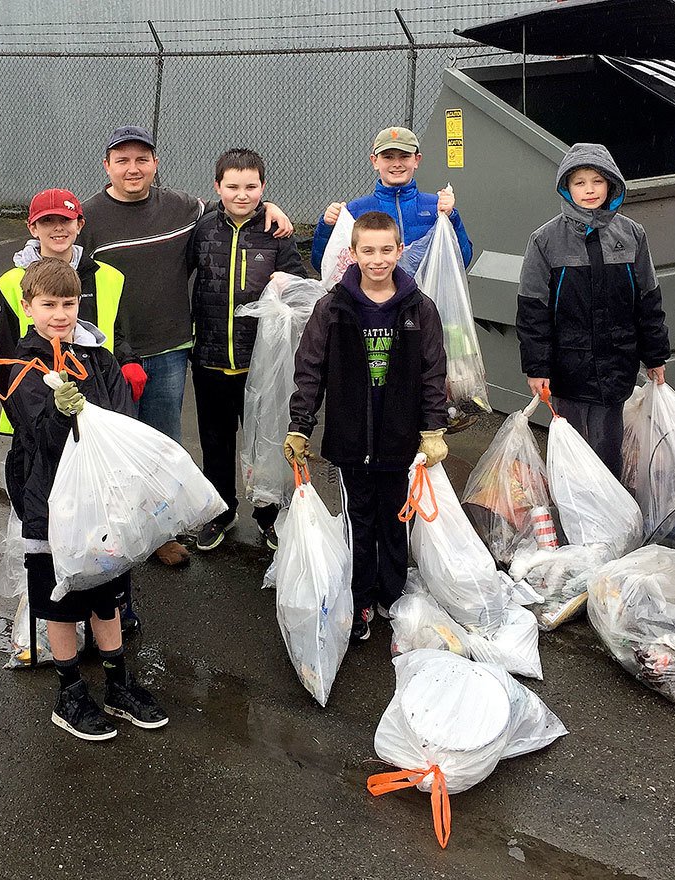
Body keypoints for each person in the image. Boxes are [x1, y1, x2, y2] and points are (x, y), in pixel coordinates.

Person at [79, 125, 293, 567]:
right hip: (110, 352)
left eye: (142, 159)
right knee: (114, 447)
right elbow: (66, 266)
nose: (133, 168)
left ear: (155, 164)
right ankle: (117, 533)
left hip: (173, 348)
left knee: (164, 445)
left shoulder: (183, 209)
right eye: (123, 160)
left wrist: (270, 208)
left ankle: (162, 533)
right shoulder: (88, 217)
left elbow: (235, 210)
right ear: (107, 166)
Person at [5, 258, 168, 741]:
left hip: (102, 500)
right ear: (28, 306)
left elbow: (121, 414)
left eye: (69, 303)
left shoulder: (99, 356)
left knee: (108, 592)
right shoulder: (19, 364)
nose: (60, 313)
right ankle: (69, 691)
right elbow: (37, 432)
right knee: (59, 600)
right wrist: (60, 414)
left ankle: (118, 684)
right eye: (48, 304)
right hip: (48, 500)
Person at [285, 211, 449, 642]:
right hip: (350, 440)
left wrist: (432, 429)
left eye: (385, 250)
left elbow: (434, 372)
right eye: (368, 251)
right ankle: (358, 600)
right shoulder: (333, 308)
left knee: (396, 521)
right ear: (353, 253)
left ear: (399, 250)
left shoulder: (419, 309)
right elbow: (310, 370)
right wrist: (300, 425)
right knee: (358, 521)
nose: (377, 260)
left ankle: (391, 596)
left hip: (399, 440)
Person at [516, 143, 670, 480]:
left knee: (608, 449)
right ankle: (578, 521)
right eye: (580, 182)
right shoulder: (545, 240)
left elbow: (648, 300)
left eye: (597, 181)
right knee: (573, 452)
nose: (589, 190)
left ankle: (613, 523)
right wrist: (536, 367)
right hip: (568, 368)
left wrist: (655, 356)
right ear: (566, 187)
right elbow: (532, 311)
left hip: (617, 366)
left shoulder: (631, 235)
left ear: (612, 185)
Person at [188, 148, 307, 553]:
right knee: (215, 442)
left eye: (251, 187)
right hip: (210, 359)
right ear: (217, 187)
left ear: (263, 187)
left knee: (264, 444)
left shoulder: (277, 233)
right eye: (233, 186)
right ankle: (221, 512)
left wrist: (285, 283)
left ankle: (268, 516)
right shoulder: (202, 230)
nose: (242, 195)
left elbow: (301, 289)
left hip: (262, 364)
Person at [0, 188, 145, 436]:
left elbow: (117, 331)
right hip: (35, 415)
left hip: (100, 404)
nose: (58, 228)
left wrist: (128, 362)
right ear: (32, 228)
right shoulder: (9, 284)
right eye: (47, 221)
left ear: (79, 224)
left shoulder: (108, 277)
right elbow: (6, 359)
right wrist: (24, 425)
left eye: (65, 220)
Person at [310, 125, 473, 272]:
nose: (397, 164)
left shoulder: (436, 208)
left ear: (416, 160)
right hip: (373, 303)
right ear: (374, 161)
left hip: (423, 302)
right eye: (388, 157)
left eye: (404, 156)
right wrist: (328, 226)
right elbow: (324, 266)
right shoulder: (355, 211)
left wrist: (452, 217)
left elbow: (462, 261)